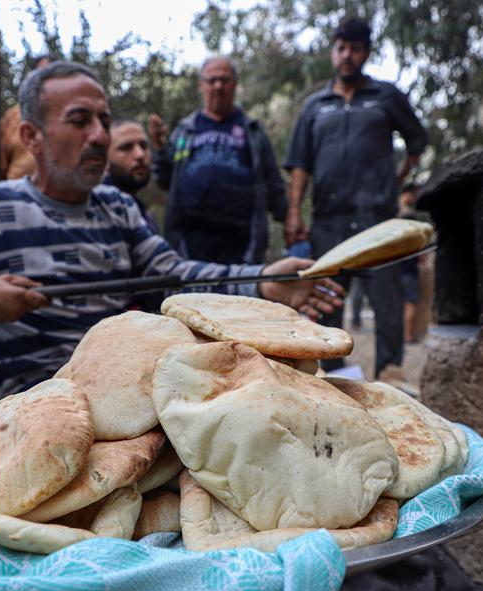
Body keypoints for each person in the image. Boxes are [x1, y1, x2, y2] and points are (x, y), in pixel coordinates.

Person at [0, 61, 343, 395]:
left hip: (134, 385)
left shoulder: (119, 207)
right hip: (40, 397)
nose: (99, 134)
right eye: (79, 120)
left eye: (103, 119)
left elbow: (176, 280)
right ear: (31, 137)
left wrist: (265, 284)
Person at [283, 16, 428, 377]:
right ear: (333, 50)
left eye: (355, 48)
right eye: (341, 48)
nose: (347, 55)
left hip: (376, 221)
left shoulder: (386, 96)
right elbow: (299, 164)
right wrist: (293, 213)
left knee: (387, 302)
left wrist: (394, 183)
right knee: (327, 301)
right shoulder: (316, 105)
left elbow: (416, 145)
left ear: (366, 52)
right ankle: (333, 377)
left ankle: (389, 376)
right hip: (328, 220)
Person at [150, 56, 286, 264]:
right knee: (193, 296)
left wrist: (288, 218)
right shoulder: (185, 131)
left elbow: (272, 181)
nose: (218, 86)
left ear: (235, 84)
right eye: (211, 80)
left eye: (224, 80)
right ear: (201, 85)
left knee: (238, 295)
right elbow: (165, 181)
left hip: (242, 243)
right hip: (190, 241)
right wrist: (159, 150)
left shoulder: (253, 132)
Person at [0, 55, 54, 180]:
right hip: (14, 193)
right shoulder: (13, 116)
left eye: (52, 75)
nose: (47, 80)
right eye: (42, 74)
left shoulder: (72, 118)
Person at [104, 118, 159, 234]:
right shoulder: (98, 215)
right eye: (126, 147)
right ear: (104, 160)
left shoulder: (144, 216)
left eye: (143, 146)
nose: (140, 155)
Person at [398, 183, 422, 343]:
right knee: (411, 303)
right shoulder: (409, 217)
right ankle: (408, 336)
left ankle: (401, 335)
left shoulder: (393, 216)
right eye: (414, 195)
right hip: (409, 269)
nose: (415, 199)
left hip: (394, 268)